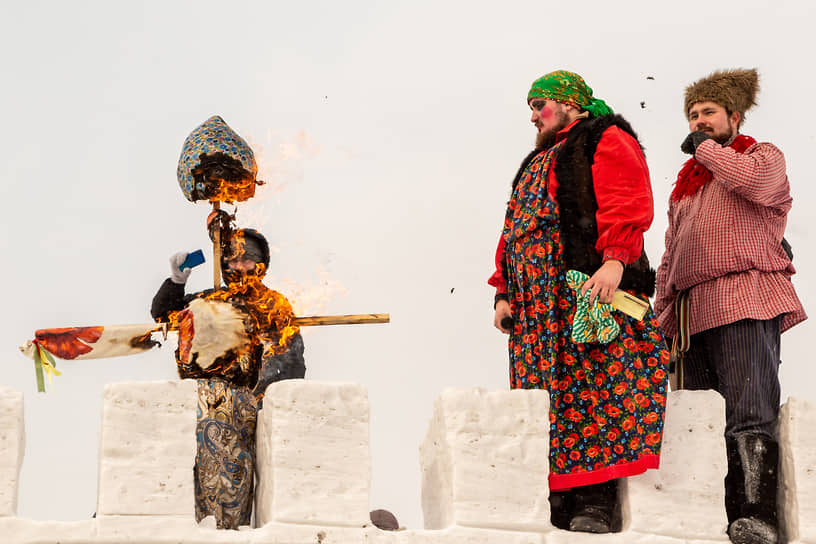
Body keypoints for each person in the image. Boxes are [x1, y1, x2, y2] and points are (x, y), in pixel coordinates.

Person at [489, 70, 669, 533]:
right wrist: (503, 291)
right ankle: (559, 500)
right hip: (535, 311)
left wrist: (614, 260)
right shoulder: (537, 160)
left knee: (592, 390)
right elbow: (513, 230)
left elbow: (626, 199)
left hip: (583, 292)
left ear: (569, 103)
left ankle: (595, 503)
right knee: (546, 400)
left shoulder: (603, 137)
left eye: (539, 105)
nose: (533, 116)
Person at [654, 68, 806, 544]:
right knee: (700, 417)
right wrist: (662, 317)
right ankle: (711, 517)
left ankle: (756, 516)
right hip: (692, 311)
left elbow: (757, 186)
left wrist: (704, 148)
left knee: (748, 407)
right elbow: (670, 253)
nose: (699, 121)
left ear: (734, 117)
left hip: (745, 296)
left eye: (709, 114)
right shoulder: (687, 188)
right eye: (693, 115)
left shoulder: (760, 156)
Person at [151, 227, 306, 529]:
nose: (240, 266)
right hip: (196, 401)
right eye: (232, 258)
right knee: (190, 478)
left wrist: (264, 399)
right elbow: (163, 314)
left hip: (241, 404)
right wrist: (176, 281)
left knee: (234, 477)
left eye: (248, 259)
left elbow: (291, 359)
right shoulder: (209, 299)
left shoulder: (272, 303)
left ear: (262, 262)